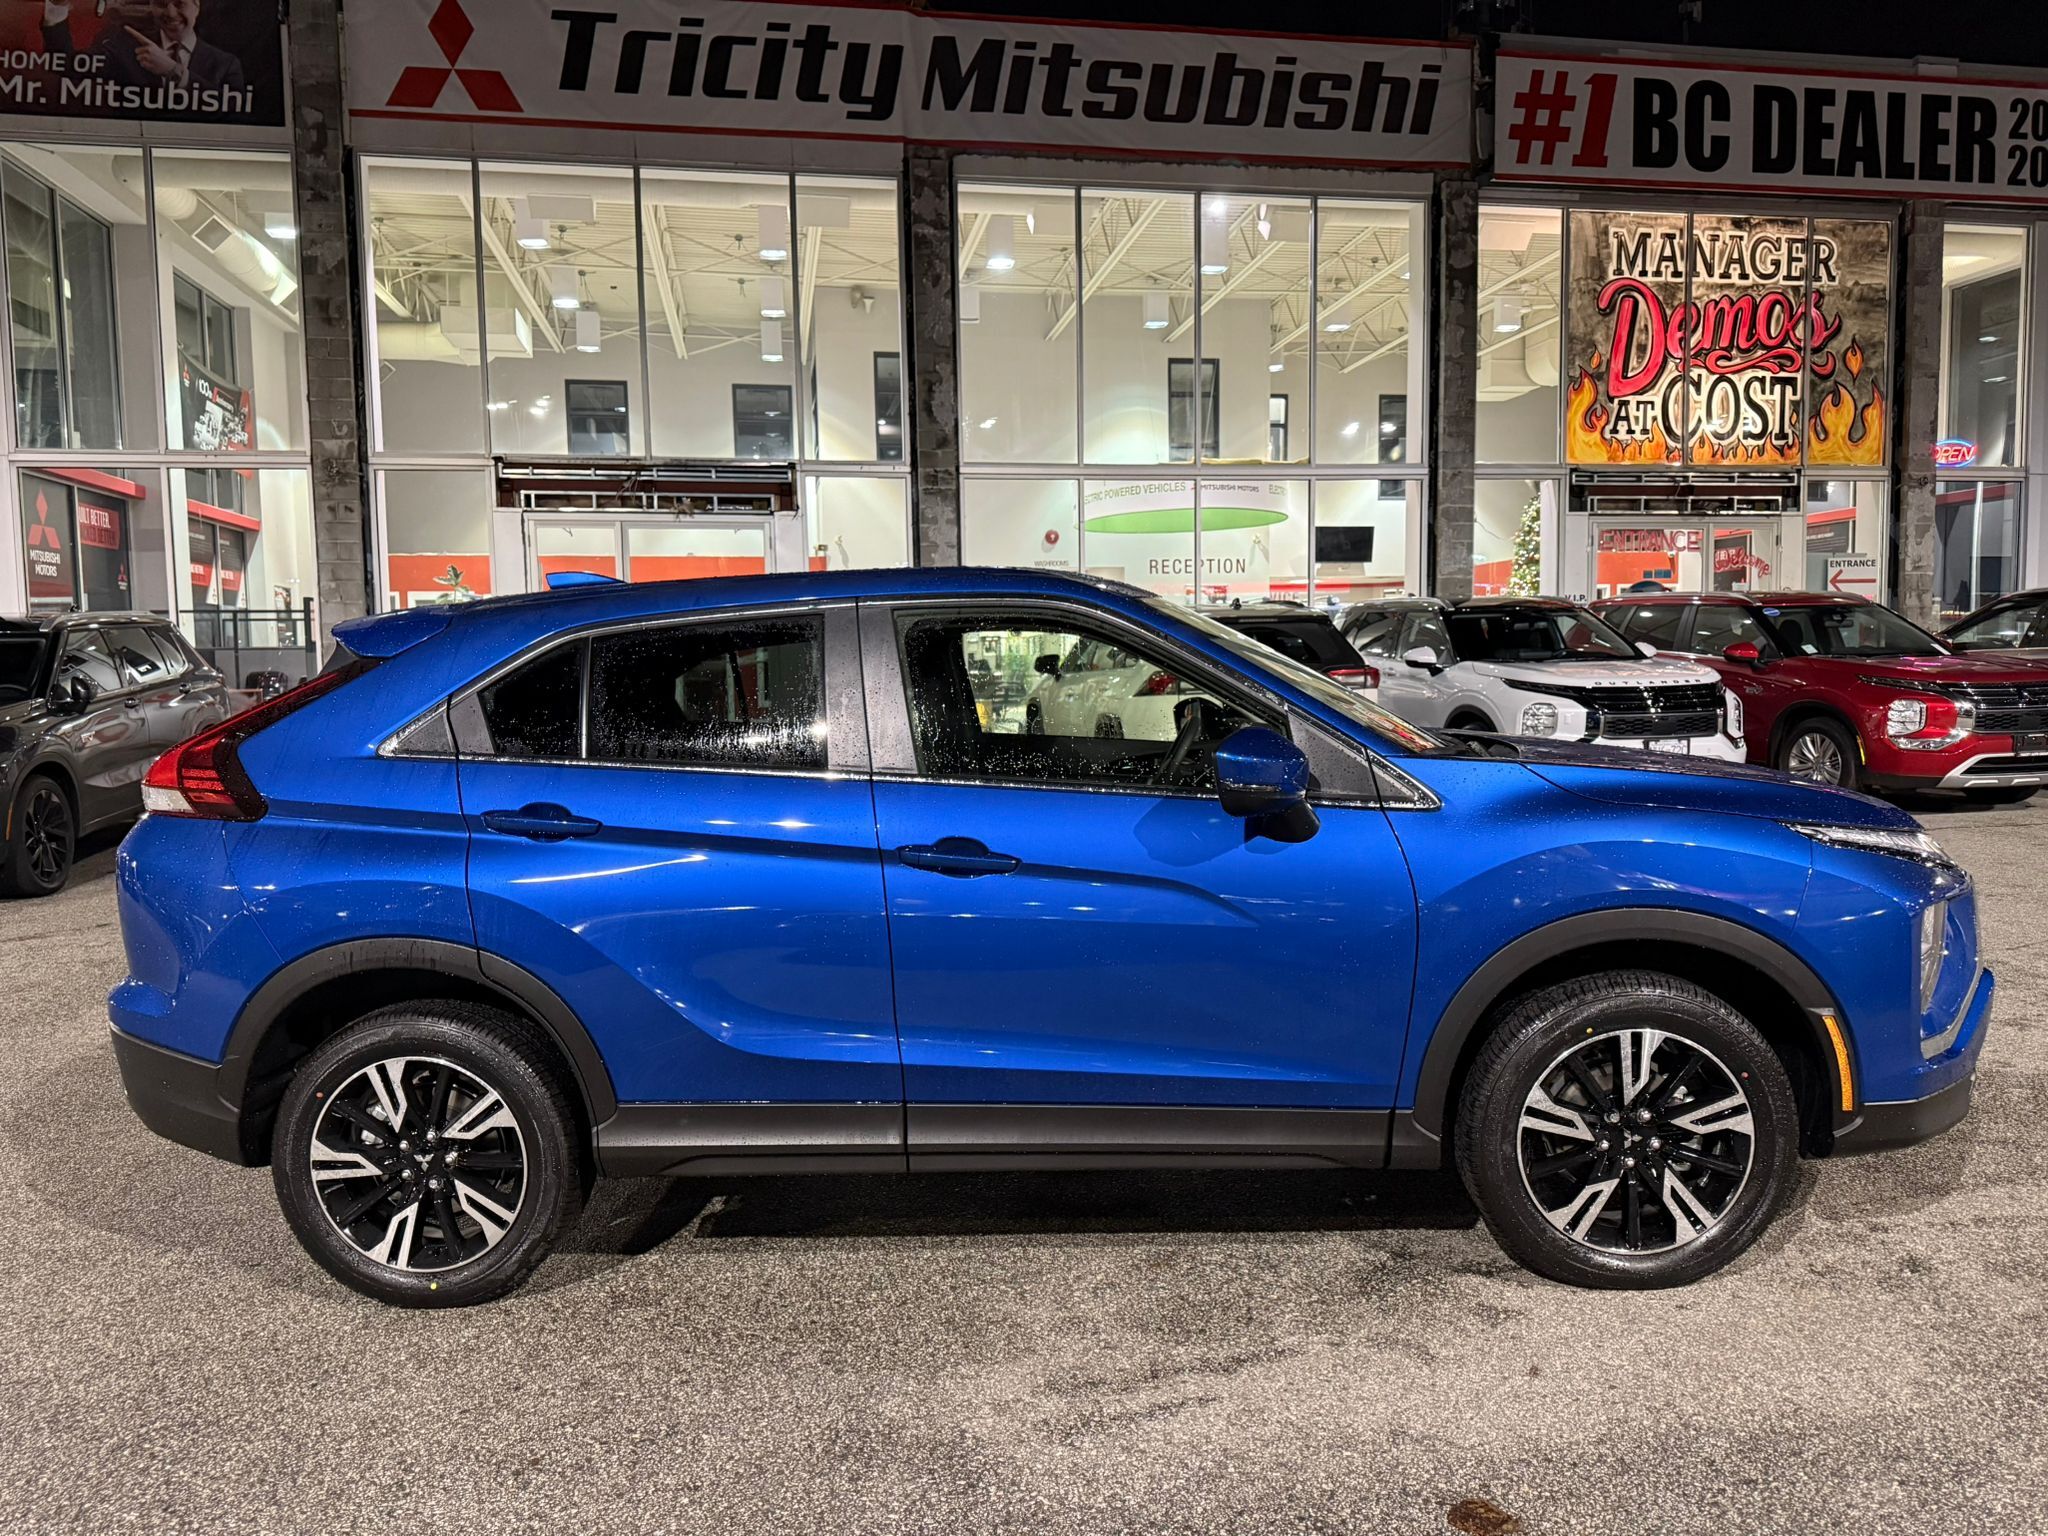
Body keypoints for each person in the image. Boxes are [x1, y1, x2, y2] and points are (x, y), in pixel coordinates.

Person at [41, 0, 244, 94]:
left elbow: (235, 110)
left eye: (179, 3)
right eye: (161, 4)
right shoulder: (125, 46)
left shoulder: (225, 64)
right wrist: (58, 8)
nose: (170, 13)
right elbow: (67, 66)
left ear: (196, 6)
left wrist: (173, 71)